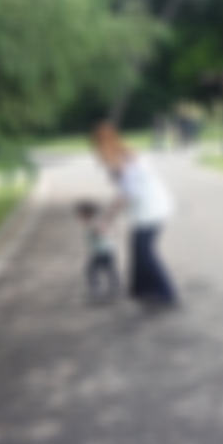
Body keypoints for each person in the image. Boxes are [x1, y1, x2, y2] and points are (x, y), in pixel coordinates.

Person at [91, 122, 179, 310]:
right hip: (148, 208)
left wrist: (106, 220)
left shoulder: (124, 159)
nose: (95, 149)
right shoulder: (122, 155)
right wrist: (113, 174)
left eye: (96, 144)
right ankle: (140, 290)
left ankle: (167, 294)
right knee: (138, 249)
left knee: (145, 251)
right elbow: (123, 186)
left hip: (152, 209)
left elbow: (125, 196)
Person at [74, 200, 120, 301]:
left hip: (104, 252)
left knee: (101, 270)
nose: (79, 218)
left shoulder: (94, 222)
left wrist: (99, 231)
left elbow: (102, 230)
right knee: (100, 270)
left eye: (80, 215)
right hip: (100, 252)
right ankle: (109, 287)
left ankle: (102, 287)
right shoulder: (91, 222)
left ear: (87, 213)